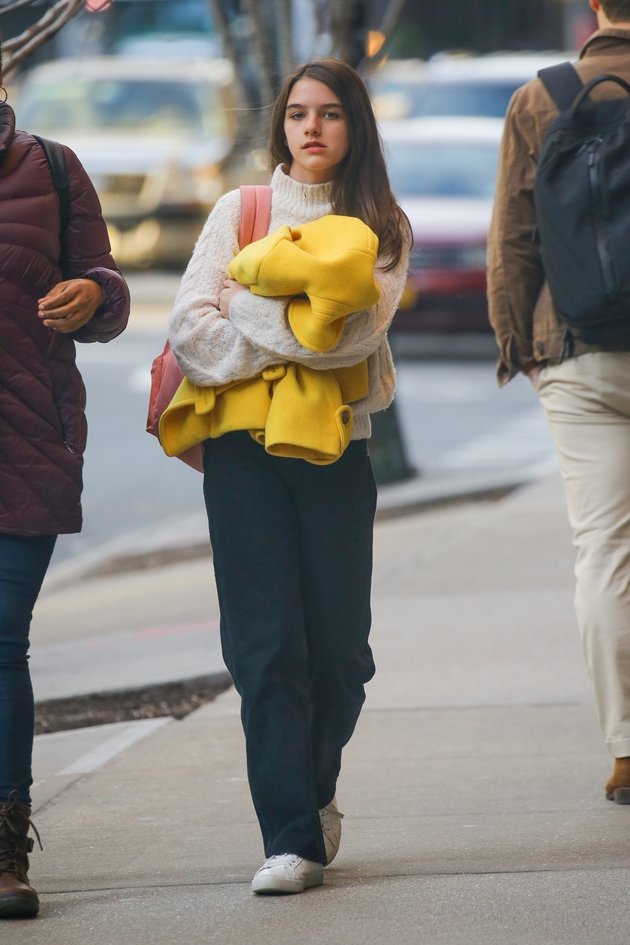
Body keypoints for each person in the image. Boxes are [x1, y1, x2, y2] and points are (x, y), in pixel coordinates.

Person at [169, 58, 410, 893]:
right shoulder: (242, 211)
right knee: (266, 646)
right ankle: (289, 837)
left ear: (356, 128)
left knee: (341, 654)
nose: (312, 128)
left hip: (339, 449)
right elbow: (190, 331)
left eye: (332, 114)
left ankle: (311, 792)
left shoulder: (381, 223)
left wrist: (243, 306)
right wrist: (273, 318)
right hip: (241, 453)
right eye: (300, 113)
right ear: (282, 126)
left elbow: (343, 343)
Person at [487, 0, 630, 804]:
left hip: (575, 346)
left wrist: (521, 347)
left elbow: (512, 235)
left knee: (605, 552)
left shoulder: (542, 95)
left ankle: (626, 750)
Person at [0, 46, 130, 918]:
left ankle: (6, 847)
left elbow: (111, 293)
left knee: (2, 636)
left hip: (28, 441)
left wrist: (92, 294)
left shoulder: (52, 167)